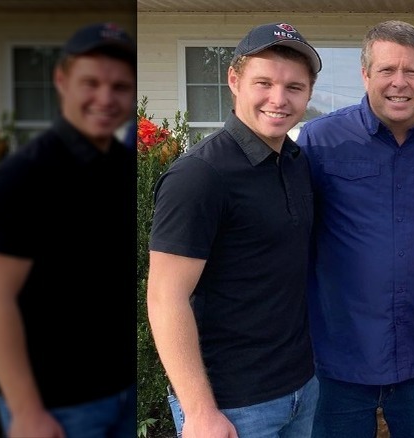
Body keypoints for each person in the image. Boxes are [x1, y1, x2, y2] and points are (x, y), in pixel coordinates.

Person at [147, 22, 322, 438]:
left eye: (294, 87)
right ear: (234, 80)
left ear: (309, 93)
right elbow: (165, 297)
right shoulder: (200, 175)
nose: (278, 100)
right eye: (264, 82)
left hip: (302, 387)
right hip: (231, 405)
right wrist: (200, 411)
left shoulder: (295, 162)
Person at [0, 22, 137, 437]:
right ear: (61, 81)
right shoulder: (26, 174)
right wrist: (26, 411)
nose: (105, 98)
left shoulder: (121, 165)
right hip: (58, 408)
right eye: (91, 83)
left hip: (122, 393)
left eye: (119, 87)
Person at [296, 20, 414, 437]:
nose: (399, 83)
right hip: (338, 359)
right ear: (365, 74)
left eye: (411, 72)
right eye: (387, 70)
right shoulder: (321, 141)